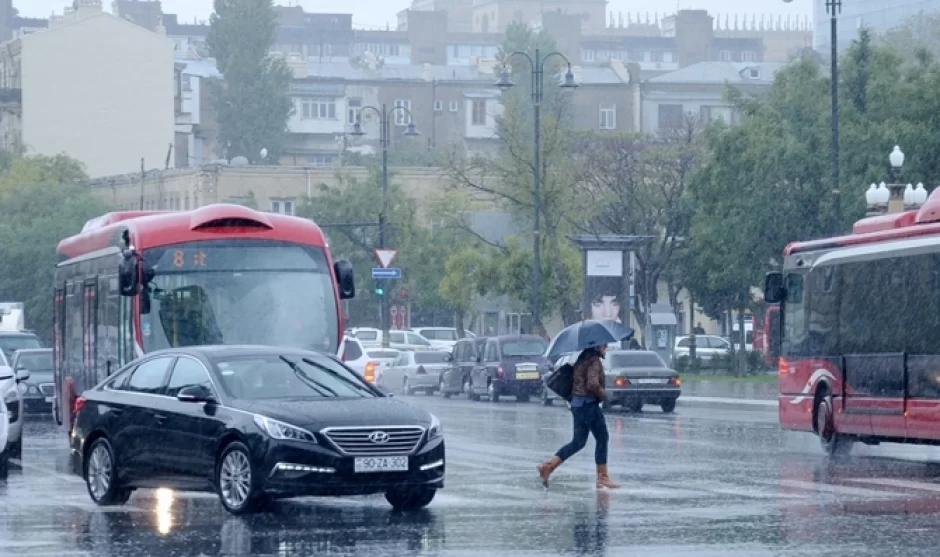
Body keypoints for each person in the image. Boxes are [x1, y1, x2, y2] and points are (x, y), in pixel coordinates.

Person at [537, 344, 620, 489]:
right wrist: (603, 395)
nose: (606, 348)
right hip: (589, 404)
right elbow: (592, 384)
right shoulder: (593, 360)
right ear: (596, 347)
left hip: (577, 404)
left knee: (578, 442)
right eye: (604, 345)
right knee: (602, 437)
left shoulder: (582, 358)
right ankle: (603, 477)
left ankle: (548, 467)